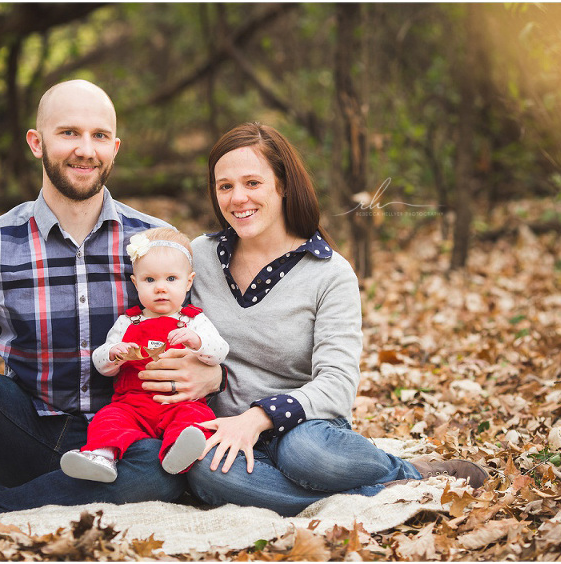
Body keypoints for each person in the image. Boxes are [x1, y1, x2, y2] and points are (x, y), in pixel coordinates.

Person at [0, 80, 224, 529]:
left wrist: (214, 372)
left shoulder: (157, 243)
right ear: (37, 142)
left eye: (100, 136)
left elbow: (209, 327)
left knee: (161, 471)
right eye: (69, 133)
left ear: (115, 148)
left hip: (125, 437)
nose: (85, 150)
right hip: (22, 430)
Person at [177, 122, 488, 517]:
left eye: (252, 182)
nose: (238, 198)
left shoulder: (329, 273)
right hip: (228, 431)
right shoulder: (197, 258)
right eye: (225, 186)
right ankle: (378, 493)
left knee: (307, 456)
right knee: (207, 473)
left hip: (306, 429)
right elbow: (167, 327)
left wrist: (260, 417)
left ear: (283, 185)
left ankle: (410, 473)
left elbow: (337, 384)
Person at [60, 227, 229, 482]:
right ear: (135, 283)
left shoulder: (193, 321)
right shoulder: (128, 322)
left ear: (189, 281)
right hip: (133, 404)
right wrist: (113, 354)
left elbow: (219, 352)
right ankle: (102, 457)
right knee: (109, 418)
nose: (161, 288)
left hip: (178, 402)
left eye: (171, 279)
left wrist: (198, 343)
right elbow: (101, 364)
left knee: (196, 417)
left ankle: (178, 452)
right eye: (150, 280)